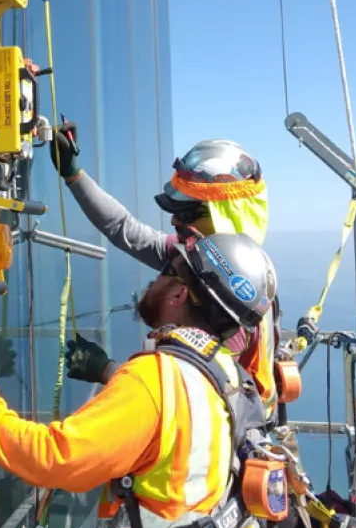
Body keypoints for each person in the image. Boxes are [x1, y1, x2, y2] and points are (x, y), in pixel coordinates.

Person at [0, 231, 280, 528]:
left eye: (167, 269)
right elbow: (193, 487)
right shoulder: (231, 377)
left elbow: (57, 458)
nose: (155, 278)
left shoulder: (155, 378)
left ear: (179, 294)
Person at [51, 129, 301, 417]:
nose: (173, 220)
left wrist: (106, 370)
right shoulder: (201, 260)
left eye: (186, 213)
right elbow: (124, 229)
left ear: (224, 215)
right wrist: (73, 175)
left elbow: (191, 398)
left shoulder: (227, 303)